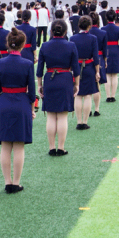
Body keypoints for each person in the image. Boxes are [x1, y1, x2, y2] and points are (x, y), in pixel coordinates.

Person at [0, 28, 36, 193]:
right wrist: (32, 109)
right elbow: (32, 92)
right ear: (23, 45)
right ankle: (16, 182)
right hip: (21, 104)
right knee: (18, 146)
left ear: (8, 44)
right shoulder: (27, 64)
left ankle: (7, 182)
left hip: (4, 103)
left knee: (5, 146)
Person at [36, 20, 80, 155]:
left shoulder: (44, 45)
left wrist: (39, 85)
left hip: (49, 79)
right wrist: (76, 84)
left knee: (50, 116)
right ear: (65, 32)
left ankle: (51, 147)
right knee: (62, 116)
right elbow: (76, 69)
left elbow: (39, 69)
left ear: (51, 31)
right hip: (65, 79)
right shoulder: (71, 45)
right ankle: (61, 147)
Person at [71, 16, 101, 130]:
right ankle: (85, 121)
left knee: (78, 95)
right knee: (87, 95)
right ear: (89, 26)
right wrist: (97, 71)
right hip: (89, 67)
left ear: (79, 25)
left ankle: (79, 122)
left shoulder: (73, 38)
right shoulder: (93, 38)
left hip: (76, 67)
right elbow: (96, 57)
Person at [102, 10, 119, 102]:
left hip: (106, 50)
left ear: (106, 18)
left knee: (107, 74)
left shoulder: (103, 29)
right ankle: (113, 96)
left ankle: (108, 96)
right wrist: (117, 46)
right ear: (115, 18)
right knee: (114, 75)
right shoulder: (118, 29)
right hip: (115, 50)